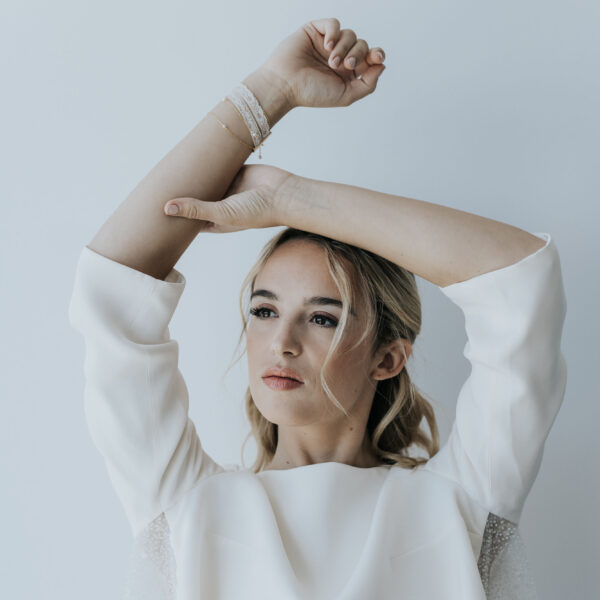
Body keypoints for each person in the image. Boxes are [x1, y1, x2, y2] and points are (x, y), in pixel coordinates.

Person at [68, 17, 567, 600]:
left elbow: (522, 280)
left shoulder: (459, 502)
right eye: (263, 310)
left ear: (388, 356)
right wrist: (271, 90)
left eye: (323, 317)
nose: (282, 342)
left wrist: (291, 198)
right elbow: (112, 288)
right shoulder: (187, 506)